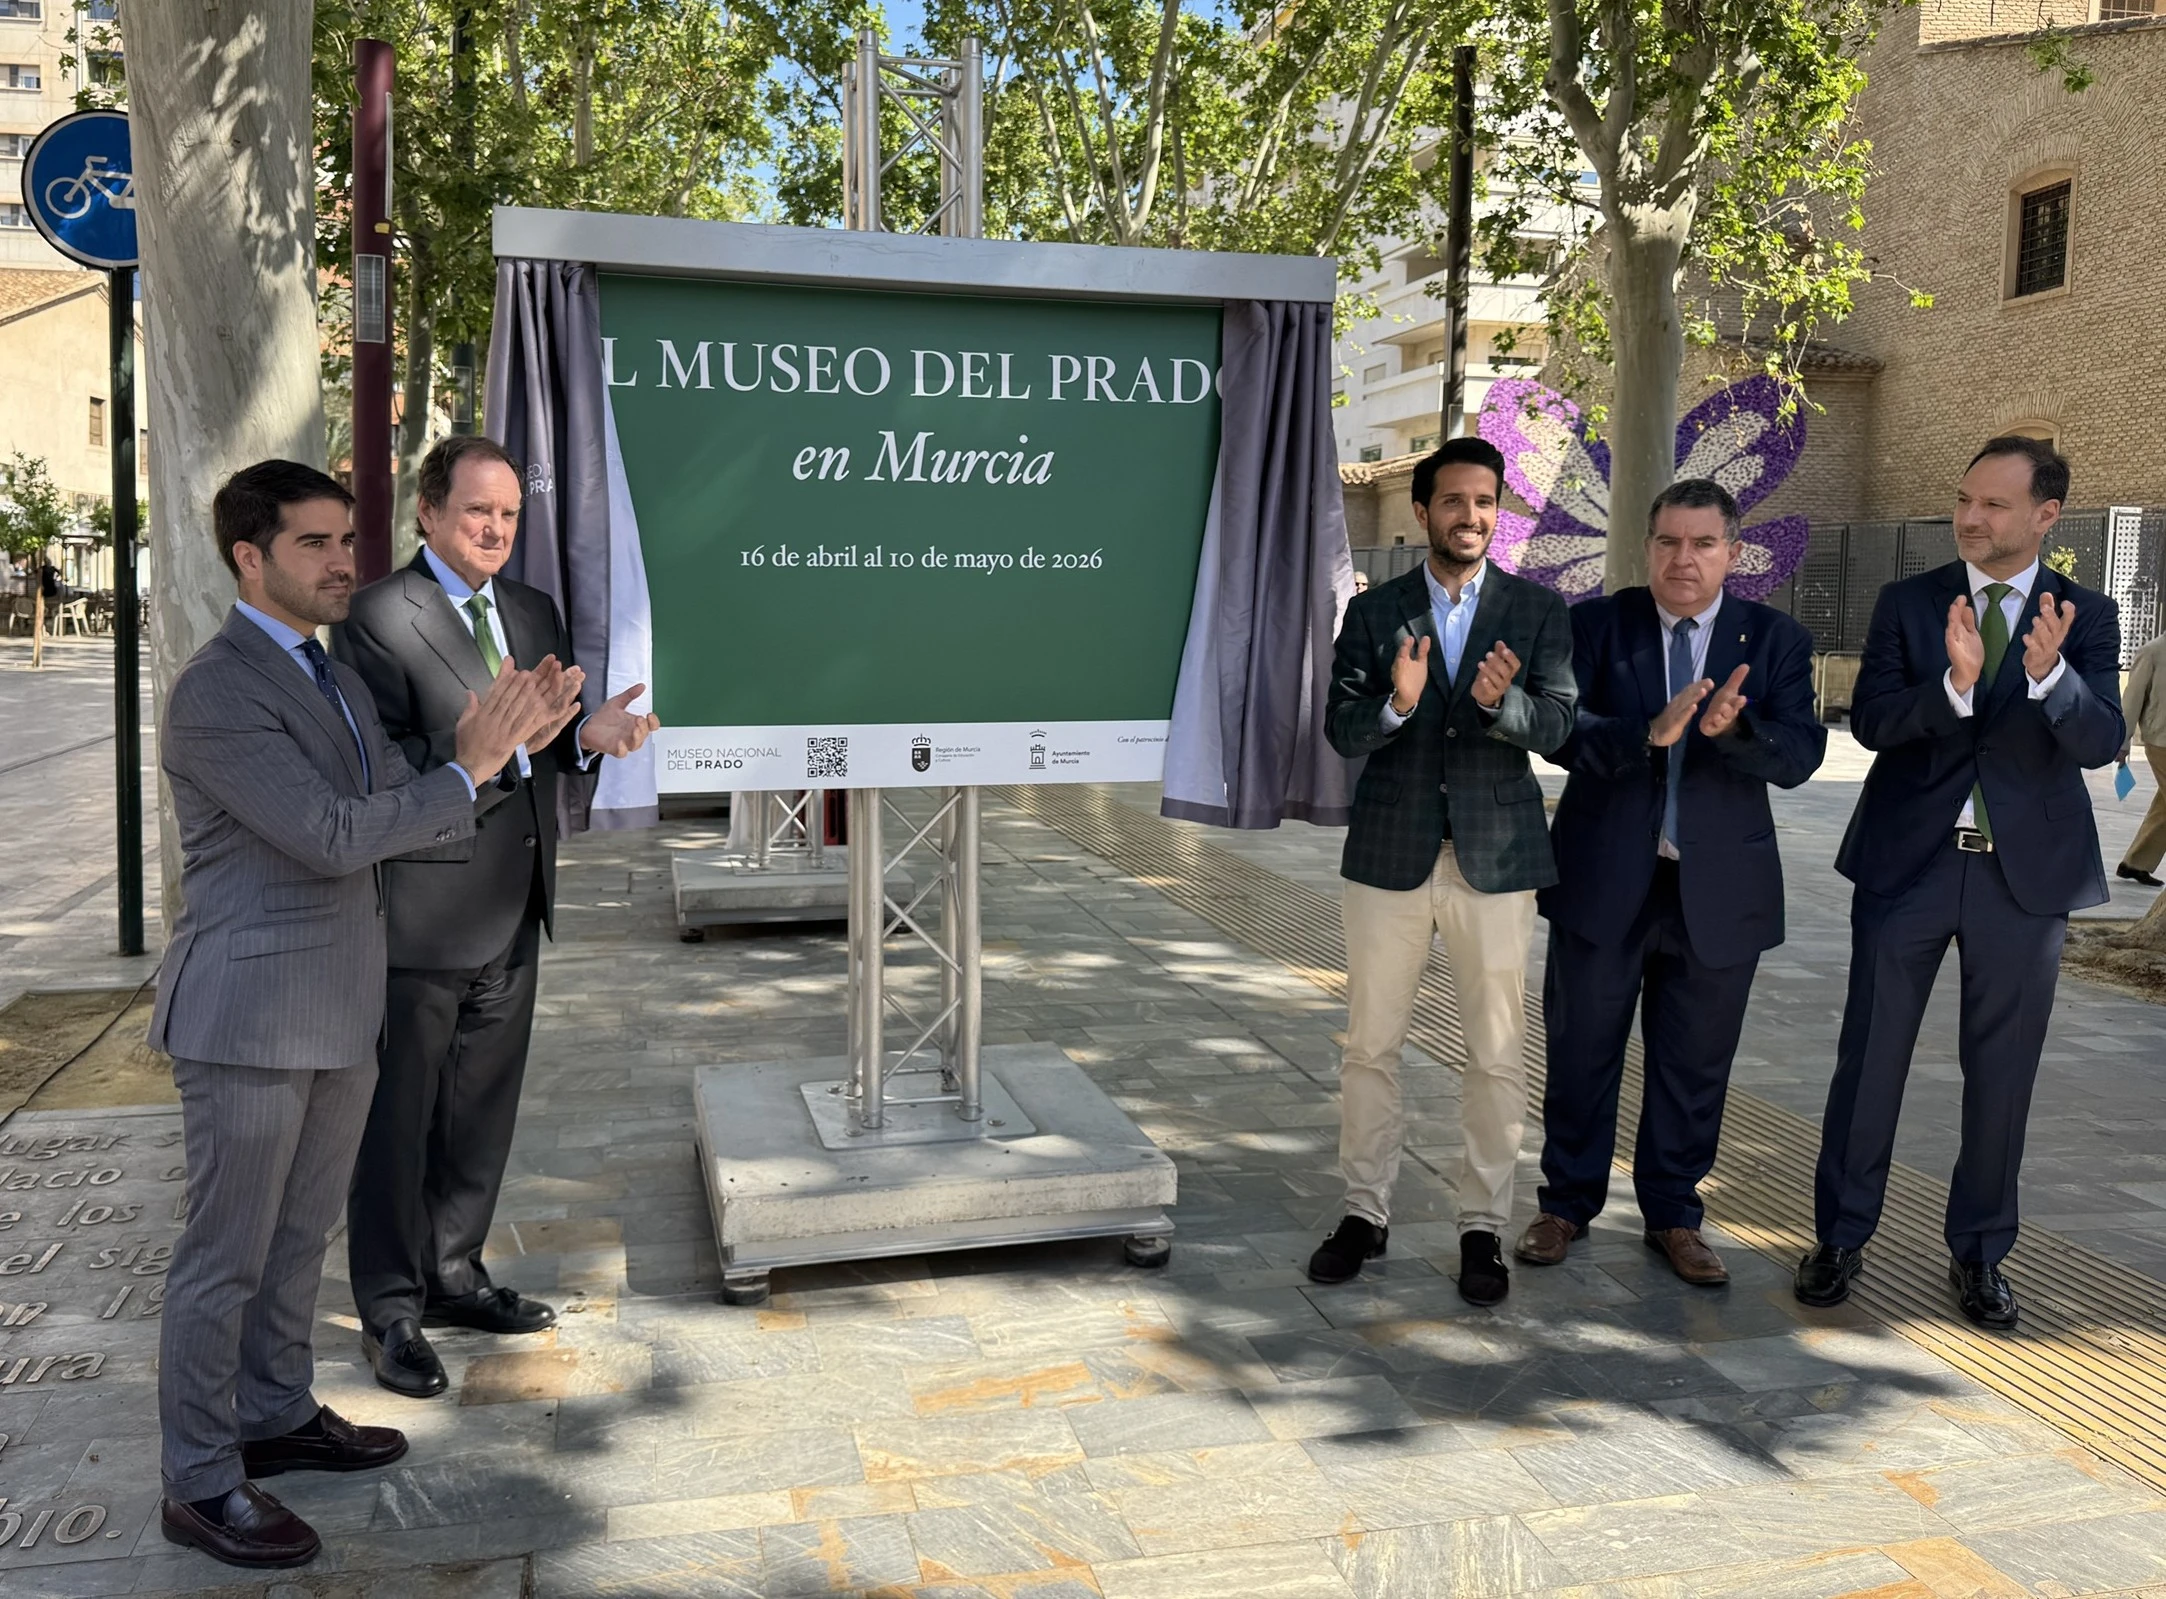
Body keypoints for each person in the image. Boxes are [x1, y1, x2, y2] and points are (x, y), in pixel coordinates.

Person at [150, 460, 570, 1568]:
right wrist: (472, 764)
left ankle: (275, 1412)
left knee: (294, 1243)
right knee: (224, 1257)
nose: (343, 560)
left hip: (340, 1002)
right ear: (250, 557)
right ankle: (198, 1479)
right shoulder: (219, 689)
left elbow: (395, 801)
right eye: (314, 544)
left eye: (346, 539)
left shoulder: (324, 673)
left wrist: (500, 749)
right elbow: (335, 831)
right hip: (248, 1014)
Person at [333, 435, 659, 1398]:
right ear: (429, 512)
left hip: (515, 900)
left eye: (509, 514)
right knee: (399, 1123)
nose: (495, 529)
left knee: (481, 1110)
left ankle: (455, 1273)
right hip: (422, 912)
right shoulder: (375, 617)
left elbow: (544, 736)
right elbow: (377, 763)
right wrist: (489, 746)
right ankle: (391, 1309)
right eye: (477, 510)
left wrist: (587, 735)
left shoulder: (529, 609)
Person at [1799, 436, 2123, 1330]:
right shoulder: (1910, 600)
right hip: (1908, 866)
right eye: (1965, 500)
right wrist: (1952, 685)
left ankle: (1980, 1253)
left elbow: (2099, 742)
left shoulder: (2084, 616)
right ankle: (1839, 1236)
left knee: (2003, 1073)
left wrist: (2049, 676)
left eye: (1995, 505)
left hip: (2027, 881)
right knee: (1869, 1060)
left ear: (2046, 516)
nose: (1972, 518)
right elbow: (1869, 723)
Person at [1517, 480, 1826, 1285]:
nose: (1683, 559)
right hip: (1605, 879)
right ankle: (1565, 1204)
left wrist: (1737, 731)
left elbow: (1800, 755)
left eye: (1702, 543)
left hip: (1718, 892)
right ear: (1647, 546)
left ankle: (1675, 1213)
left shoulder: (1778, 639)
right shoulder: (1593, 626)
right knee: (1581, 1052)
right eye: (1668, 542)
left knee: (1694, 1064)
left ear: (1733, 550)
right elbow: (1560, 733)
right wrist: (1643, 733)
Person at [1312, 435, 1576, 1303]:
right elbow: (1341, 730)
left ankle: (1481, 1227)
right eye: (1455, 501)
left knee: (1497, 1054)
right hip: (1390, 856)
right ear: (1421, 511)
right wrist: (1396, 702)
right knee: (1369, 1045)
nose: (1472, 516)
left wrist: (1504, 706)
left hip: (1495, 863)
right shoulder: (1374, 610)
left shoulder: (1538, 610)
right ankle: (1364, 1211)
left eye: (1486, 501)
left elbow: (1561, 729)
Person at [2114, 629, 2166, 887]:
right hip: (2161, 741)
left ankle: (2135, 863)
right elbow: (2131, 700)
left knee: (2163, 807)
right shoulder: (2152, 651)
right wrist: (2123, 743)